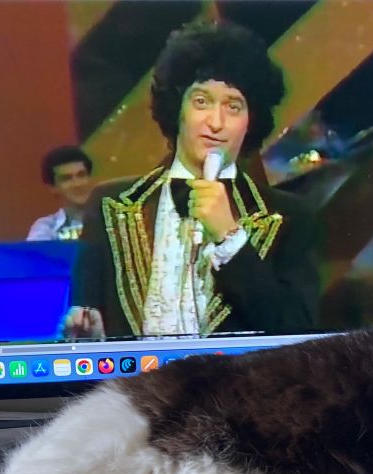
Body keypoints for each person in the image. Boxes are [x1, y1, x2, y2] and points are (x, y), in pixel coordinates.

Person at [63, 21, 320, 340]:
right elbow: (85, 319)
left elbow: (297, 336)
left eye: (233, 106)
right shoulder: (110, 205)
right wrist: (91, 336)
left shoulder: (289, 217)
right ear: (177, 108)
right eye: (201, 101)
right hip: (135, 388)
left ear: (250, 121)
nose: (216, 122)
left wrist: (230, 238)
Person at [27, 145, 94, 241]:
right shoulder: (47, 228)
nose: (77, 184)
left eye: (81, 175)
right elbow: (35, 255)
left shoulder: (113, 219)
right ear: (53, 188)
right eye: (67, 178)